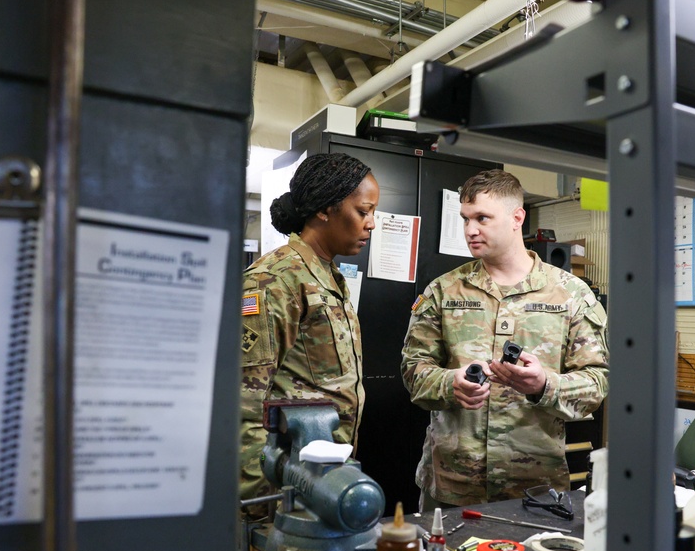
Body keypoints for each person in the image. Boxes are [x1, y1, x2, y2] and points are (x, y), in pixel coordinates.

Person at [401, 169, 609, 509]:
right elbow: (413, 371)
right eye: (465, 219)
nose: (470, 230)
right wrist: (449, 382)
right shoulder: (443, 290)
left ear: (517, 218)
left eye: (482, 218)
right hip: (453, 485)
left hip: (533, 488)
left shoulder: (571, 294)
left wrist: (543, 386)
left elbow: (596, 383)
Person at [239, 153, 378, 506]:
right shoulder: (276, 281)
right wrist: (266, 500)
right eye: (363, 211)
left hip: (323, 481)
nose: (371, 224)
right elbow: (242, 407)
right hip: (285, 492)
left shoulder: (326, 275)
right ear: (325, 209)